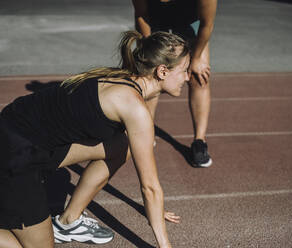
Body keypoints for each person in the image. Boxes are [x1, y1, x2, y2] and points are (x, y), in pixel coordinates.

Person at [0, 30, 190, 248]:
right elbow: (150, 188)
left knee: (122, 146)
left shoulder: (123, 79)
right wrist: (165, 245)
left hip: (22, 133)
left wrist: (155, 209)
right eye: (184, 71)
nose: (188, 77)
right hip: (15, 155)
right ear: (162, 71)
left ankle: (67, 222)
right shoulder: (134, 107)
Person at [132, 0, 218, 168]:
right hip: (154, 24)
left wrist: (197, 57)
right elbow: (141, 15)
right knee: (151, 75)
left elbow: (207, 25)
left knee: (199, 76)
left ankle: (199, 142)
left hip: (190, 25)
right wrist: (151, 50)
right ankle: (146, 132)